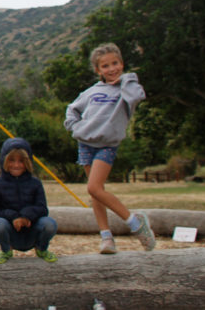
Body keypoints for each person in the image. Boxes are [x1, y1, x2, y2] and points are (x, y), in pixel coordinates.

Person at [65, 42, 155, 253]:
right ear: (98, 70)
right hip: (85, 143)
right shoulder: (91, 92)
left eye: (115, 63)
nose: (111, 69)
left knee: (93, 187)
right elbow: (72, 110)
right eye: (105, 66)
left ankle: (135, 222)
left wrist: (126, 79)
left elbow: (137, 97)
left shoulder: (128, 88)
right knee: (97, 193)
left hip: (107, 144)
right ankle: (106, 237)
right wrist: (76, 128)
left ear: (122, 64)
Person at [0, 137, 58, 263]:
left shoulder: (35, 183)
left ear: (28, 163)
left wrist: (26, 216)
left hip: (32, 229)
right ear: (4, 161)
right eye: (12, 160)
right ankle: (6, 250)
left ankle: (42, 248)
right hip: (10, 230)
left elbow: (42, 209)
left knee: (50, 224)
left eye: (21, 161)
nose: (16, 165)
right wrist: (14, 217)